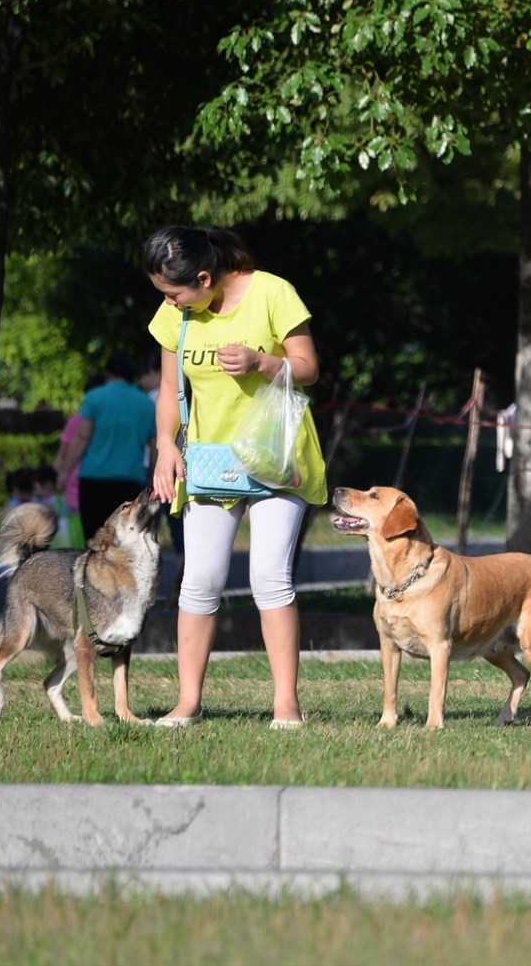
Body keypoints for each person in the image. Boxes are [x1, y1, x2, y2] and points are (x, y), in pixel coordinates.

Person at [144, 224, 328, 728]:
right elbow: (168, 388)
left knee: (269, 575)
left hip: (275, 458)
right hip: (208, 459)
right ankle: (187, 703)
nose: (171, 303)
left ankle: (286, 706)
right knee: (199, 580)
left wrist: (262, 362)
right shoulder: (176, 311)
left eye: (177, 293)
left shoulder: (272, 291)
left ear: (204, 277)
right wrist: (165, 446)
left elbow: (308, 367)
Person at [55, 352, 156, 543]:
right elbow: (154, 445)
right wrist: (151, 478)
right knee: (125, 543)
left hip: (94, 480)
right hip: (130, 480)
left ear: (108, 374)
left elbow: (82, 437)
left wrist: (65, 471)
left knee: (95, 541)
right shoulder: (146, 404)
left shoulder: (94, 398)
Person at [141, 348, 185, 608]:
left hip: (159, 473)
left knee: (149, 538)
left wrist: (152, 472)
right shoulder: (183, 397)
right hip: (182, 472)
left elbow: (154, 440)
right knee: (182, 540)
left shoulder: (151, 399)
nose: (145, 380)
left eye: (147, 374)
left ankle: (151, 595)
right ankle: (176, 593)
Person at [53, 372, 105, 549]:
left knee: (82, 534)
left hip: (78, 481)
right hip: (97, 478)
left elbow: (64, 452)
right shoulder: (110, 417)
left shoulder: (77, 418)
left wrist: (60, 475)